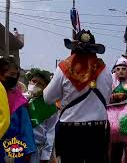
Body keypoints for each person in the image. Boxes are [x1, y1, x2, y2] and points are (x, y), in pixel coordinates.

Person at [43, 30, 112, 162]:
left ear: (73, 49)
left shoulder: (63, 69)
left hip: (70, 132)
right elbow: (107, 100)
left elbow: (47, 98)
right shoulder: (105, 70)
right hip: (97, 131)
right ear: (94, 50)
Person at [0, 57, 36, 162]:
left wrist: (28, 150)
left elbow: (26, 128)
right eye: (11, 75)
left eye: (16, 75)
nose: (14, 78)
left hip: (13, 146)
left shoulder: (18, 99)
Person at [26, 69, 58, 163]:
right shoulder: (21, 100)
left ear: (45, 88)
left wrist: (45, 156)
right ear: (29, 82)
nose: (35, 85)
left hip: (38, 149)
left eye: (40, 84)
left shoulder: (49, 106)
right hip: (21, 147)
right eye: (34, 81)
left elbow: (51, 133)